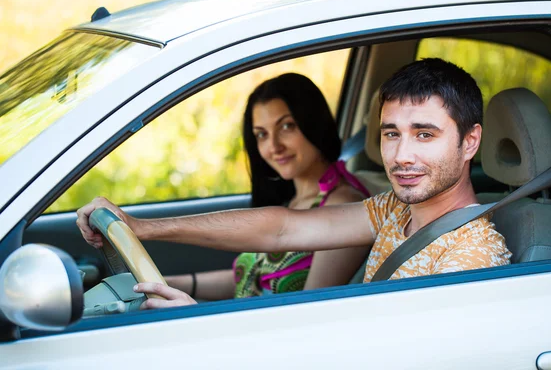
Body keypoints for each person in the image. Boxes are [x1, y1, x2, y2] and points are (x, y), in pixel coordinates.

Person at [77, 58, 512, 309]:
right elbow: (284, 228)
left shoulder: (470, 258)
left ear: (470, 140)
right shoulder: (393, 209)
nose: (401, 157)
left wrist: (205, 327)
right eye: (391, 133)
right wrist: (143, 226)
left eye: (425, 134)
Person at [107, 73, 371, 302]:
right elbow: (250, 278)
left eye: (287, 127)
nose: (273, 146)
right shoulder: (294, 199)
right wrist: (168, 283)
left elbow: (308, 309)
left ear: (314, 123)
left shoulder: (342, 206)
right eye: (261, 134)